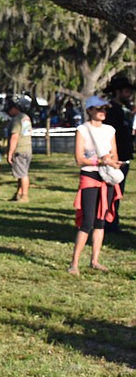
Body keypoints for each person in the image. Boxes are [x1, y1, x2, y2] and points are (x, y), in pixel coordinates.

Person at [69, 96, 123, 275]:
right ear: (89, 110)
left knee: (101, 221)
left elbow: (114, 154)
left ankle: (95, 260)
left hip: (106, 177)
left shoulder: (110, 130)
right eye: (99, 109)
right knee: (87, 220)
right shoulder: (82, 129)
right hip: (90, 176)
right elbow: (79, 159)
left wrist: (111, 160)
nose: (102, 112)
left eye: (104, 109)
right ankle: (74, 263)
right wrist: (99, 161)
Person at [102, 75, 135, 233]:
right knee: (111, 192)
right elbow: (108, 136)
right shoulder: (110, 111)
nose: (129, 95)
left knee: (118, 192)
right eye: (126, 91)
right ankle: (108, 223)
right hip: (114, 159)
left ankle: (112, 221)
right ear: (117, 92)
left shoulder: (124, 110)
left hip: (125, 158)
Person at [5, 99, 33, 202]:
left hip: (19, 149)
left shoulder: (17, 120)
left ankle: (25, 195)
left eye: (9, 111)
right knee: (21, 173)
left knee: (23, 174)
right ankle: (18, 193)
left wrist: (10, 153)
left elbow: (15, 136)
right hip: (27, 148)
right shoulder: (26, 117)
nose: (9, 113)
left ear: (14, 109)